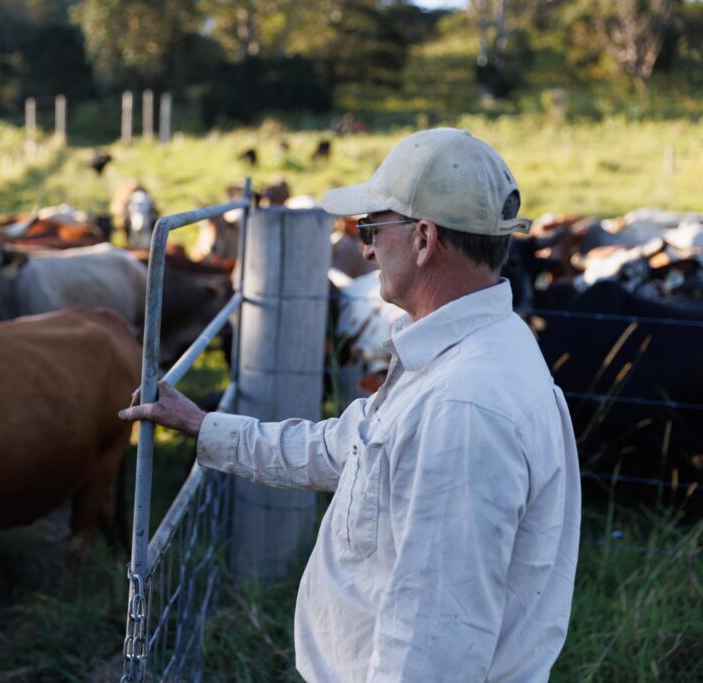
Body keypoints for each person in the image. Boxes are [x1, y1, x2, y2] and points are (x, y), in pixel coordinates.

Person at [119, 128, 581, 682]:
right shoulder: (460, 356)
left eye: (371, 227)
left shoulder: (463, 409)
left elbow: (434, 646)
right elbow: (344, 448)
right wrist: (202, 425)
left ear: (424, 239)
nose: (363, 247)